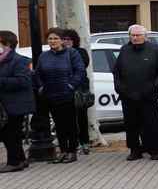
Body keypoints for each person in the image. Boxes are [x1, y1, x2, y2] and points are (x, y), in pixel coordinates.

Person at [112, 24, 158, 161]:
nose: (135, 38)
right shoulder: (124, 50)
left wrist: (154, 87)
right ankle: (134, 150)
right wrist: (119, 88)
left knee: (151, 123)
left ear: (145, 36)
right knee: (131, 124)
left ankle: (154, 150)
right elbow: (116, 71)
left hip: (148, 95)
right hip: (128, 95)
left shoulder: (154, 49)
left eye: (138, 35)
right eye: (133, 35)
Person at [37, 28, 85, 163]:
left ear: (62, 40)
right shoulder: (43, 56)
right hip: (51, 95)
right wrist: (41, 87)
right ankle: (63, 151)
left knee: (70, 124)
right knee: (59, 125)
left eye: (56, 38)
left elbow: (80, 71)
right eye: (50, 39)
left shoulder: (72, 53)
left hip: (67, 95)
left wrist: (71, 85)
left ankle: (72, 151)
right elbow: (38, 73)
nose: (52, 41)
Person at [0, 31, 33, 171]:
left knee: (10, 134)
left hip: (15, 104)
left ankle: (13, 163)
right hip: (4, 105)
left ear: (7, 44)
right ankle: (20, 160)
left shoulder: (19, 60)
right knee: (10, 134)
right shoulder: (2, 59)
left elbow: (23, 81)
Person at [60, 29, 91, 153]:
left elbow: (82, 66)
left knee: (81, 117)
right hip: (63, 90)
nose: (66, 42)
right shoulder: (58, 53)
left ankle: (84, 142)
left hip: (79, 90)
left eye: (69, 39)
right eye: (64, 39)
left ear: (74, 41)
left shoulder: (81, 52)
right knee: (67, 119)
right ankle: (72, 143)